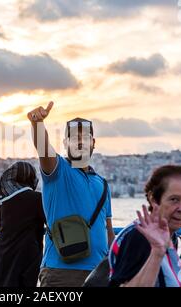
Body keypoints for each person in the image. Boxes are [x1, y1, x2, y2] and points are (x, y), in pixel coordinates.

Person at [27, 101, 115, 287]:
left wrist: (116, 266)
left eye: (85, 137)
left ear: (93, 143)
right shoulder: (59, 171)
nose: (80, 141)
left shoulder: (102, 184)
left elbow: (108, 231)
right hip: (61, 272)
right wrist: (37, 124)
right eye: (74, 138)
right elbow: (43, 150)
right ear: (66, 143)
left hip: (99, 273)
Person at [108, 165, 181, 287]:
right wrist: (157, 252)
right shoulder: (141, 237)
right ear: (153, 199)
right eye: (174, 199)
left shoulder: (168, 235)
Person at [0, 162, 45, 287]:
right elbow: (49, 222)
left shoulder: (3, 198)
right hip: (26, 255)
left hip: (2, 253)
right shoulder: (37, 198)